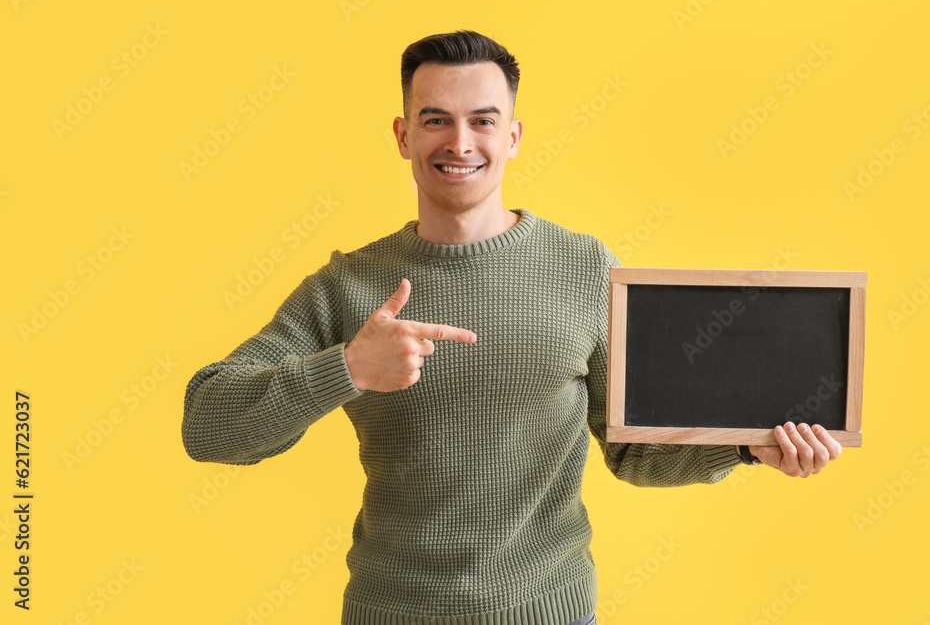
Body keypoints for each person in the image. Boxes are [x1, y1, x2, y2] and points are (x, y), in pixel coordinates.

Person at [181, 30, 842, 625]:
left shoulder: (586, 268)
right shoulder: (347, 285)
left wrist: (748, 447)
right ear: (403, 135)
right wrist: (347, 369)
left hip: (549, 611)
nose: (459, 142)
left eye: (482, 121)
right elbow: (207, 426)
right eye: (435, 119)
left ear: (514, 136)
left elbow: (633, 449)